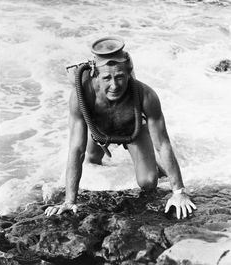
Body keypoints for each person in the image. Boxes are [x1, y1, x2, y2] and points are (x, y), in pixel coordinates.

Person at [45, 36, 196, 219]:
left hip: (133, 130)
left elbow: (162, 143)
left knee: (148, 182)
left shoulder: (146, 95)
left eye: (120, 77)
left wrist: (178, 192)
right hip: (100, 131)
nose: (114, 85)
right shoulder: (82, 96)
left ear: (128, 73)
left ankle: (156, 165)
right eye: (107, 78)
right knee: (92, 162)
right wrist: (70, 201)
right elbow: (77, 149)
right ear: (96, 75)